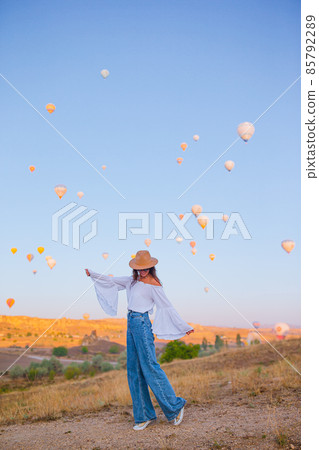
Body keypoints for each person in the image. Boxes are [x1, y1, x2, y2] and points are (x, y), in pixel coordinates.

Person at [85, 250, 194, 431]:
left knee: (150, 367)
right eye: (139, 268)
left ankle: (175, 407)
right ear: (135, 268)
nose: (142, 271)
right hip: (131, 324)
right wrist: (93, 274)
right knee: (133, 370)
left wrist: (183, 326)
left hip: (142, 324)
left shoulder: (154, 284)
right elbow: (110, 281)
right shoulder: (131, 281)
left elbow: (166, 307)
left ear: (151, 267)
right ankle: (144, 415)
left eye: (146, 268)